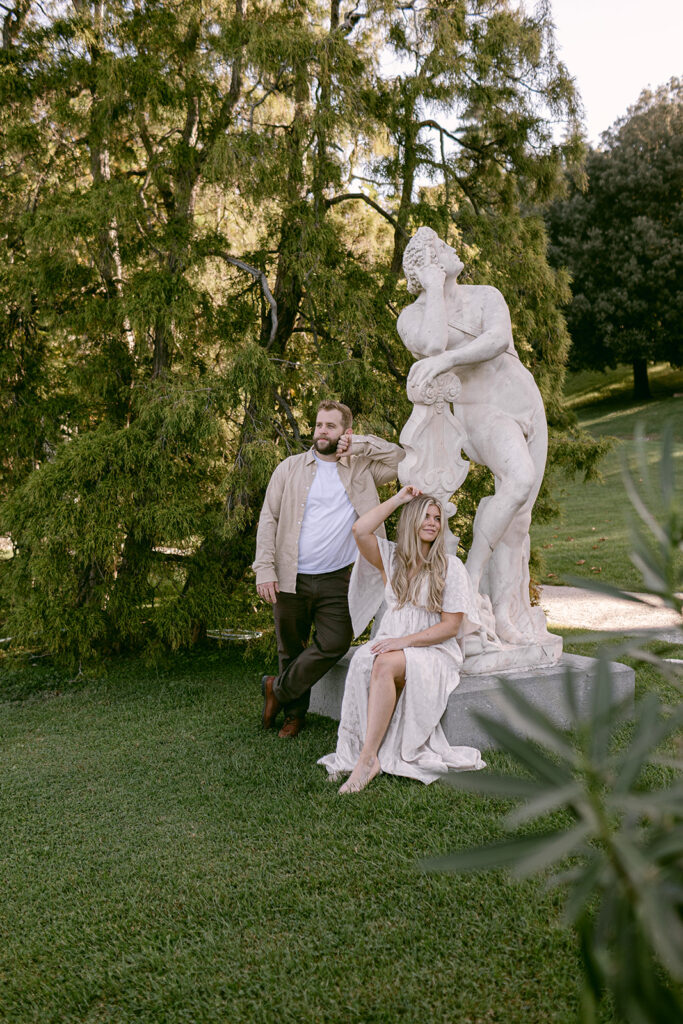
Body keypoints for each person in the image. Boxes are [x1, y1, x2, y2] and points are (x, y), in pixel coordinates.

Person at [397, 226, 548, 646]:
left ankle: (503, 613)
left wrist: (450, 357)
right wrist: (432, 291)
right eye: (442, 248)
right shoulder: (412, 316)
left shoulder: (486, 295)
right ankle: (473, 575)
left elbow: (499, 340)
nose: (452, 249)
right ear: (428, 265)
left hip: (525, 404)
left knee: (519, 519)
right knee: (518, 480)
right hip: (481, 414)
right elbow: (429, 345)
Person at [318, 486, 485, 793]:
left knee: (383, 664)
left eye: (437, 518)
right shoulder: (393, 559)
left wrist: (404, 642)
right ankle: (359, 753)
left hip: (434, 650)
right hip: (395, 643)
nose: (433, 522)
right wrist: (399, 499)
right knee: (362, 661)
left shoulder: (450, 567)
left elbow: (450, 627)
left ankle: (367, 760)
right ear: (410, 520)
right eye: (425, 516)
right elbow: (360, 529)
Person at [254, 400, 404, 738]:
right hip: (291, 575)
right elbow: (269, 519)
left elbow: (401, 460)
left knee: (335, 642)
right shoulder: (289, 468)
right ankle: (294, 716)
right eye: (319, 425)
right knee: (289, 648)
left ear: (345, 432)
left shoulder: (361, 468)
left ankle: (275, 689)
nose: (322, 431)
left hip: (338, 577)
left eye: (331, 426)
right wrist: (264, 568)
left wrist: (361, 444)